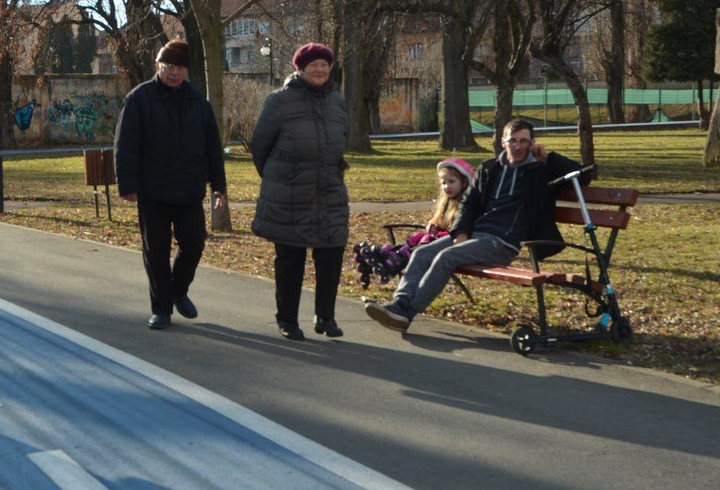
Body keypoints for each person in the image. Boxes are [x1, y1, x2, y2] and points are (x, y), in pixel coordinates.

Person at [364, 118, 583, 332]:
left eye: (524, 141)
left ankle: (406, 313)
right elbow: (469, 203)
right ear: (503, 142)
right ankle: (399, 304)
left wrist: (550, 157)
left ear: (532, 143)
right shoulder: (490, 169)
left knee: (446, 257)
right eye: (513, 140)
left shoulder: (541, 171)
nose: (518, 146)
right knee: (422, 253)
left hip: (502, 242)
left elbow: (586, 175)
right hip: (476, 235)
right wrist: (461, 232)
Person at [114, 39, 227, 330]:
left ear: (187, 70)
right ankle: (161, 308)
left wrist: (219, 186)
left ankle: (178, 290)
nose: (174, 73)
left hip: (189, 189)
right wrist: (127, 184)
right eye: (168, 67)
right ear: (158, 66)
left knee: (194, 243)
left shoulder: (197, 102)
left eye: (179, 68)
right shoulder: (140, 98)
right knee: (156, 250)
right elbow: (125, 144)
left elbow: (213, 147)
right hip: (153, 190)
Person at [249, 42, 349, 341]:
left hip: (329, 190)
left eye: (324, 64)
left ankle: (325, 317)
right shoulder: (279, 101)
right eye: (313, 64)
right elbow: (259, 146)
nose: (319, 69)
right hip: (289, 194)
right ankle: (287, 320)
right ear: (299, 68)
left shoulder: (337, 101)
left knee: (331, 254)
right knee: (290, 260)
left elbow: (344, 138)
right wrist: (281, 177)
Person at [352, 157, 474, 289]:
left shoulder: (466, 206)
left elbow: (459, 233)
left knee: (421, 245)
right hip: (433, 241)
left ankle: (390, 261)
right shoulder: (445, 202)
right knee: (417, 239)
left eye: (452, 182)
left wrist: (438, 234)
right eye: (443, 183)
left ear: (464, 183)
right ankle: (387, 256)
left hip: (446, 245)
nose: (447, 186)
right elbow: (437, 222)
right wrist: (431, 227)